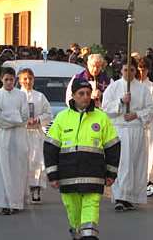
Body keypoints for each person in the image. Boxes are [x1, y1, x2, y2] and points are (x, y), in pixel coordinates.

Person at [43, 78, 120, 240]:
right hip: (68, 176)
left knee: (91, 210)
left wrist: (111, 173)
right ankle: (77, 233)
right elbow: (50, 147)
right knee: (73, 211)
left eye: (88, 93)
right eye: (81, 93)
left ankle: (89, 235)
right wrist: (52, 175)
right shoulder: (62, 118)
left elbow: (113, 146)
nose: (85, 97)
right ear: (73, 95)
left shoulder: (101, 118)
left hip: (94, 175)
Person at [102, 58, 153, 211]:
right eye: (125, 70)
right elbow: (105, 108)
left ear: (135, 71)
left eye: (131, 70)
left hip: (136, 130)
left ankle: (131, 197)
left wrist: (136, 114)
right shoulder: (113, 88)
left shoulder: (143, 89)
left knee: (134, 163)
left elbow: (151, 110)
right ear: (121, 71)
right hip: (119, 129)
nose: (128, 73)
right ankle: (120, 196)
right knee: (122, 163)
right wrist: (120, 102)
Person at [0, 67, 29, 215]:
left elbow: (24, 117)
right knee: (3, 169)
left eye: (11, 79)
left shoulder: (21, 96)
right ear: (1, 79)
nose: (9, 82)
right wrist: (14, 118)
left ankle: (17, 202)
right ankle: (4, 203)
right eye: (6, 79)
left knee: (17, 169)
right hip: (3, 136)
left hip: (19, 136)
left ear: (15, 80)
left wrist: (10, 118)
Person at [18, 68, 52, 204]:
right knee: (23, 162)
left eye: (30, 78)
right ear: (20, 80)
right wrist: (23, 121)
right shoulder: (16, 96)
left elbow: (48, 114)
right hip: (21, 133)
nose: (28, 81)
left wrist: (38, 120)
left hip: (36, 134)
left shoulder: (40, 96)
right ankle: (21, 190)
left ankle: (36, 189)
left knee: (37, 162)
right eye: (25, 78)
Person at [137, 58, 153, 197]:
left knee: (149, 151)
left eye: (144, 70)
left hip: (148, 123)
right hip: (135, 123)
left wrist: (144, 117)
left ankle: (148, 181)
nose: (141, 72)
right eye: (139, 70)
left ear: (148, 71)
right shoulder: (133, 86)